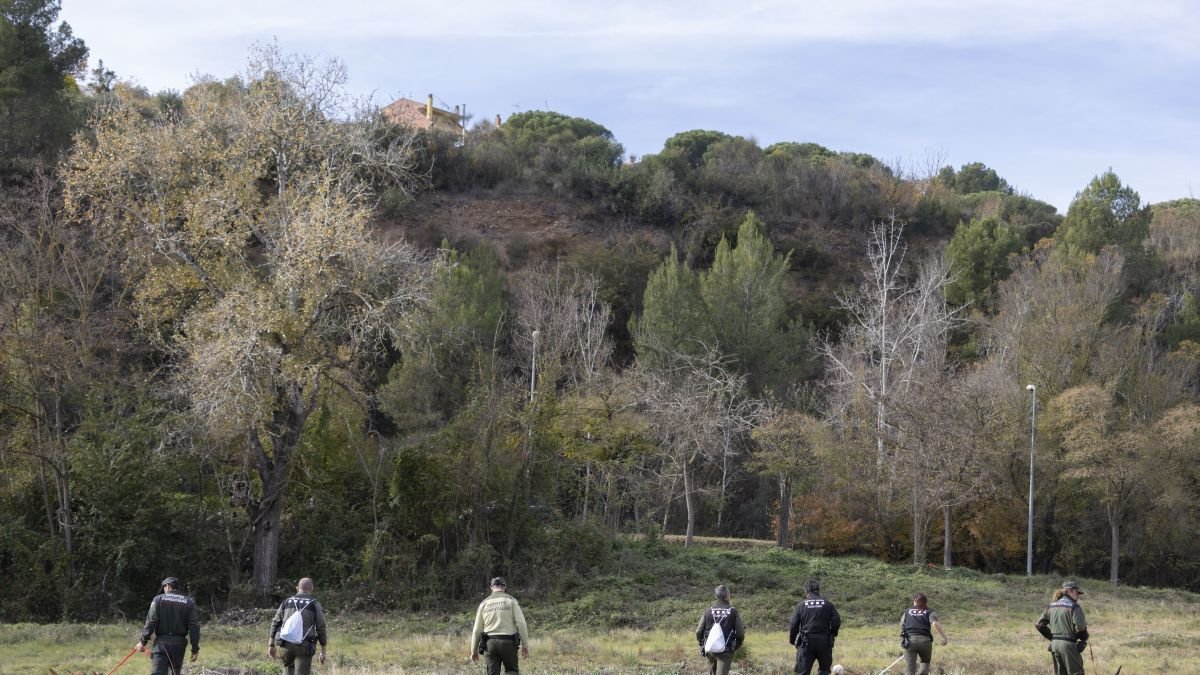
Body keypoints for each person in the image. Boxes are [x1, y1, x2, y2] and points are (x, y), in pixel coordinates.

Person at [135, 577, 200, 675]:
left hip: (161, 645)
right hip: (179, 645)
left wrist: (142, 641)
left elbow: (151, 621)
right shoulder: (188, 602)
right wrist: (195, 649)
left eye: (164, 587)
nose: (164, 589)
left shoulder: (158, 599)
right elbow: (194, 627)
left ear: (168, 586)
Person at [469, 577, 530, 675]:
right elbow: (521, 623)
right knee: (511, 671)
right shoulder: (511, 600)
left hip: (490, 644)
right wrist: (525, 645)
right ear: (504, 587)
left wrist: (474, 650)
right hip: (509, 643)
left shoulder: (484, 603)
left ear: (491, 587)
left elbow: (477, 629)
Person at [269, 577, 329, 675]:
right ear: (311, 589)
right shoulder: (314, 604)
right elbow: (321, 627)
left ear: (297, 588)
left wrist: (271, 645)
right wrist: (323, 651)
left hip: (285, 644)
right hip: (304, 646)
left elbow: (275, 622)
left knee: (287, 671)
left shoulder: (286, 602)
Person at [788, 578, 841, 675]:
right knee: (824, 671)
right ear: (818, 590)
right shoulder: (828, 604)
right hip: (824, 641)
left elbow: (793, 624)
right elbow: (836, 621)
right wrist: (832, 634)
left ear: (806, 591)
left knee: (802, 672)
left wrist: (793, 640)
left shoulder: (801, 605)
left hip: (806, 642)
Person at [1035, 580, 1089, 675]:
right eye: (1077, 592)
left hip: (1055, 645)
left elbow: (1040, 625)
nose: (1078, 595)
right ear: (1070, 591)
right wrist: (1084, 638)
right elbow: (1080, 627)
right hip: (1068, 645)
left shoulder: (1051, 606)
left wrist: (1053, 638)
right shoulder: (1074, 606)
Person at [695, 584, 746, 675]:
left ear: (716, 596)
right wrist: (736, 646)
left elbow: (698, 631)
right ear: (727, 595)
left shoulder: (708, 611)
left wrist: (702, 644)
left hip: (710, 649)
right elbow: (740, 634)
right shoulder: (733, 611)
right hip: (726, 650)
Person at [899, 592, 949, 675]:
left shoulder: (907, 611)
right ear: (925, 602)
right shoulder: (930, 611)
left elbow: (902, 625)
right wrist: (944, 637)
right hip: (925, 642)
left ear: (915, 601)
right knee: (924, 666)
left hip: (910, 641)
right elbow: (934, 623)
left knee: (910, 669)